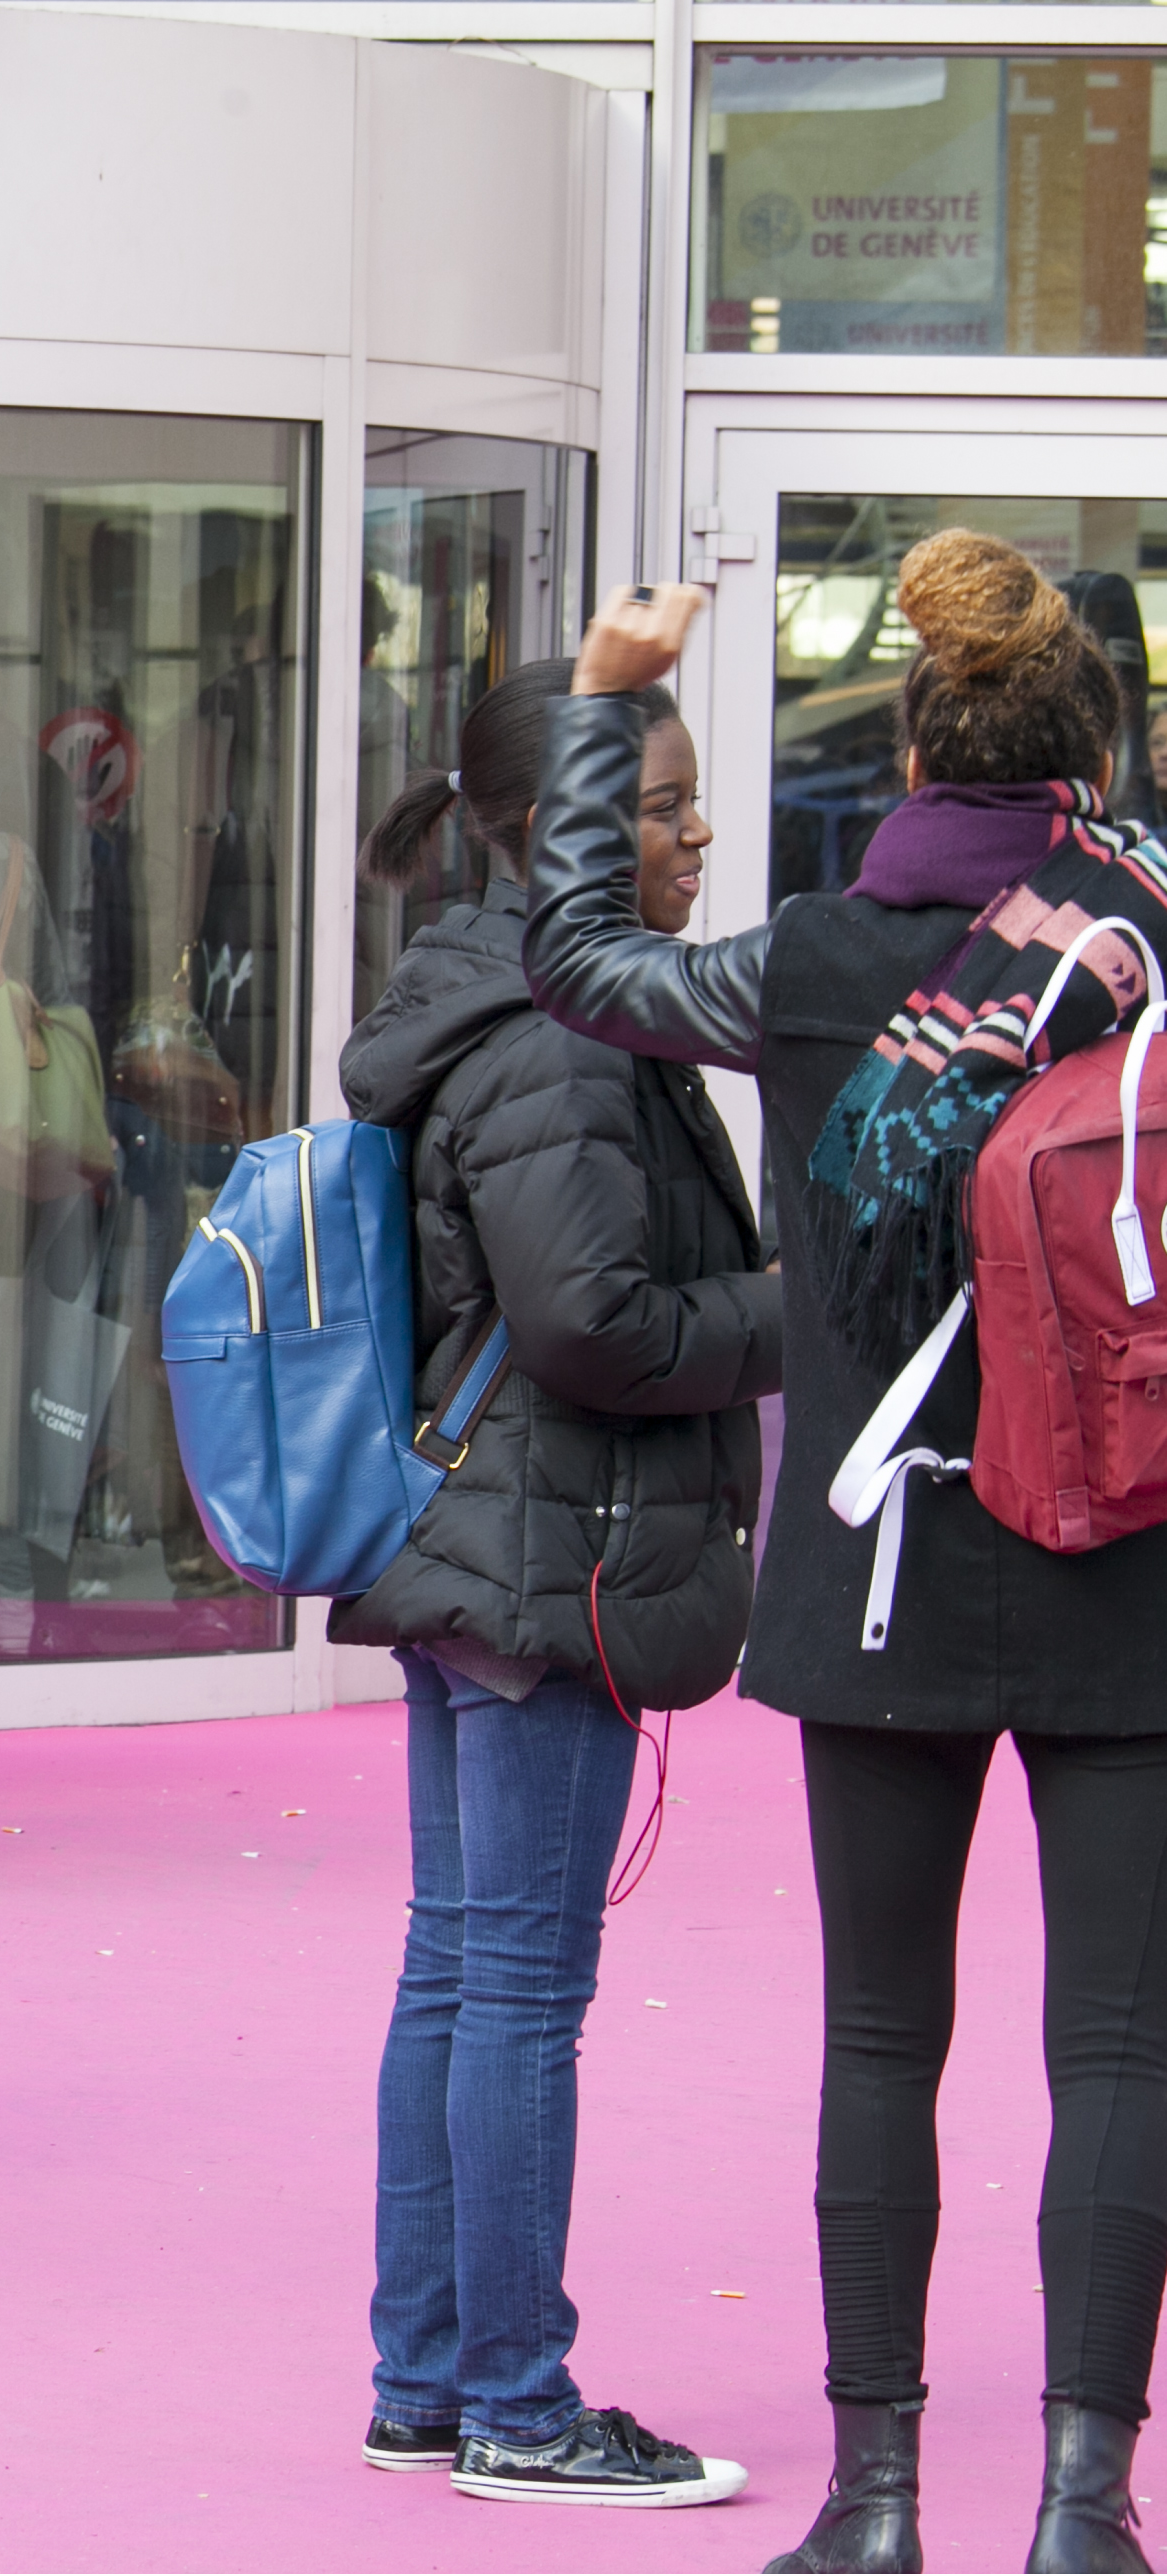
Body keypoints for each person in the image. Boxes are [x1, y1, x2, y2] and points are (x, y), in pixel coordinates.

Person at [527, 542, 1167, 2574]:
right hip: (1129, 1553)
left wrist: (603, 703)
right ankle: (1082, 2505)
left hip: (880, 1561)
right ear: (1084, 766)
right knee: (1118, 2044)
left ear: (905, 749)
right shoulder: (1149, 930)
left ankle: (873, 2499)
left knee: (882, 2038)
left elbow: (578, 959)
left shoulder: (804, 961)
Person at [334, 658, 770, 2510]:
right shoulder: (565, 1035)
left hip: (478, 1538)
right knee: (514, 1984)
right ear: (562, 825)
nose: (694, 834)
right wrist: (801, 1313)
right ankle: (514, 2400)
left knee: (458, 1967)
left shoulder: (488, 995)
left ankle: (431, 2375)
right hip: (545, 1546)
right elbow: (591, 1321)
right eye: (659, 805)